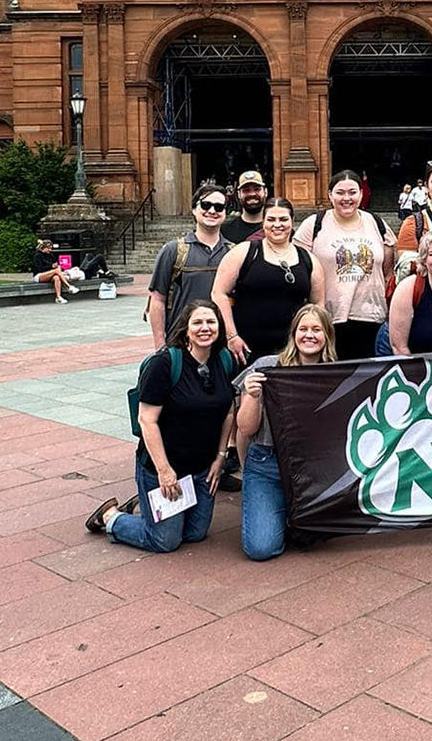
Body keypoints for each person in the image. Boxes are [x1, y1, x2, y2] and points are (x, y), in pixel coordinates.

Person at [85, 299, 234, 551]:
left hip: (201, 469)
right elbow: (147, 420)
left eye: (211, 321)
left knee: (195, 533)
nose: (205, 328)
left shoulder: (225, 360)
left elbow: (229, 411)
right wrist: (164, 471)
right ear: (186, 328)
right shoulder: (164, 364)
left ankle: (145, 506)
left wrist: (221, 457)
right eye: (197, 322)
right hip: (164, 468)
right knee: (165, 541)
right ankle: (111, 516)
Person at [235, 304, 337, 560]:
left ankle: (286, 514)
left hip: (310, 468)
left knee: (317, 537)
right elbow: (246, 428)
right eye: (303, 329)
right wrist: (251, 396)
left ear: (327, 336)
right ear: (293, 334)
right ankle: (275, 511)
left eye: (317, 329)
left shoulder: (334, 374)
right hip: (266, 463)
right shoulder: (268, 367)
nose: (309, 335)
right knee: (261, 548)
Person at [295, 169, 396, 360]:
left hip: (372, 317)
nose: (346, 198)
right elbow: (301, 270)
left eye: (352, 192)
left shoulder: (377, 223)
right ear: (330, 195)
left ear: (361, 193)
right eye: (340, 193)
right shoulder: (314, 224)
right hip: (328, 319)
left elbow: (387, 273)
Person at [212, 198, 325, 364]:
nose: (277, 224)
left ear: (292, 221)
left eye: (283, 219)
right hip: (245, 348)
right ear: (263, 222)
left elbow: (318, 305)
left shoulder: (309, 259)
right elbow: (218, 293)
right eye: (271, 219)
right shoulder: (245, 251)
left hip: (293, 352)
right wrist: (232, 336)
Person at [147, 183, 233, 351]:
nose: (212, 211)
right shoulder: (173, 250)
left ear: (225, 213)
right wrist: (160, 344)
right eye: (206, 205)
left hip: (221, 346)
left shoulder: (234, 253)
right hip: (181, 344)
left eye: (219, 207)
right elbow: (157, 299)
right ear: (194, 209)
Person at [222, 170, 268, 244]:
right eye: (246, 190)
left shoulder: (276, 228)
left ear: (265, 192)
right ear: (239, 194)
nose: (252, 194)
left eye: (257, 189)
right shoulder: (225, 230)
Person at [31, 239, 79, 304]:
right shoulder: (37, 255)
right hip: (39, 275)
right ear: (43, 248)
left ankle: (58, 297)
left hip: (51, 273)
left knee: (56, 278)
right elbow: (38, 268)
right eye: (48, 248)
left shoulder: (50, 255)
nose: (50, 250)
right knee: (56, 271)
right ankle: (69, 286)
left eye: (51, 248)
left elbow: (55, 264)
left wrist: (57, 266)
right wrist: (52, 267)